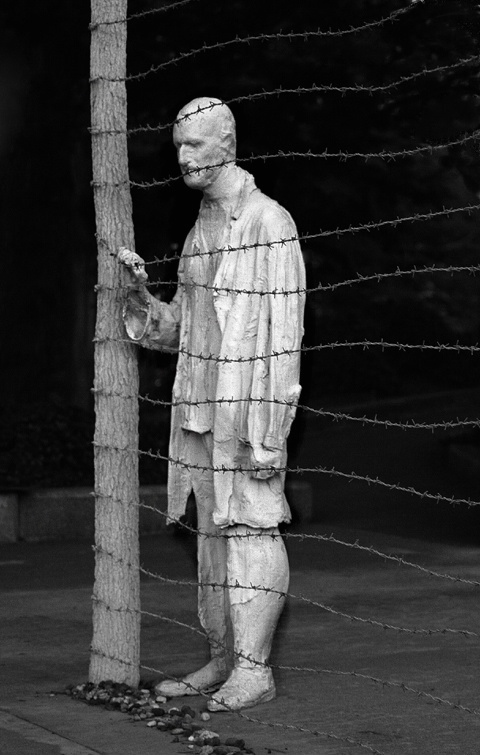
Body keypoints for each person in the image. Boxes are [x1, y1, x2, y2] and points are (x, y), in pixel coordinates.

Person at [118, 97, 305, 711]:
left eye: (195, 145)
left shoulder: (269, 222)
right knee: (212, 537)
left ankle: (254, 669)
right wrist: (143, 296)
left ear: (226, 145)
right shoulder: (202, 227)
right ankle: (225, 657)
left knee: (253, 526)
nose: (183, 156)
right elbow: (183, 331)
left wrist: (270, 431)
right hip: (200, 406)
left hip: (248, 412)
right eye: (178, 146)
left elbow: (284, 338)